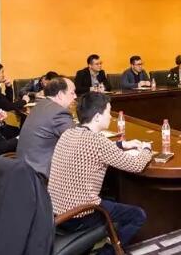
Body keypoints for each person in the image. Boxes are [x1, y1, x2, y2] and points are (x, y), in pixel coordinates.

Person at [48, 92, 153, 252]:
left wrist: (122, 145)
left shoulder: (69, 133)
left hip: (56, 212)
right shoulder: (97, 141)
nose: (110, 116)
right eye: (108, 112)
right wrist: (146, 149)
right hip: (80, 215)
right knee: (137, 215)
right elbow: (136, 165)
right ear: (97, 117)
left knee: (110, 198)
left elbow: (93, 150)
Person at [17, 77, 76, 180]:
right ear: (60, 94)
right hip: (41, 174)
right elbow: (78, 141)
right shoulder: (59, 112)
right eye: (72, 92)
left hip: (25, 167)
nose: (75, 96)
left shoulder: (41, 104)